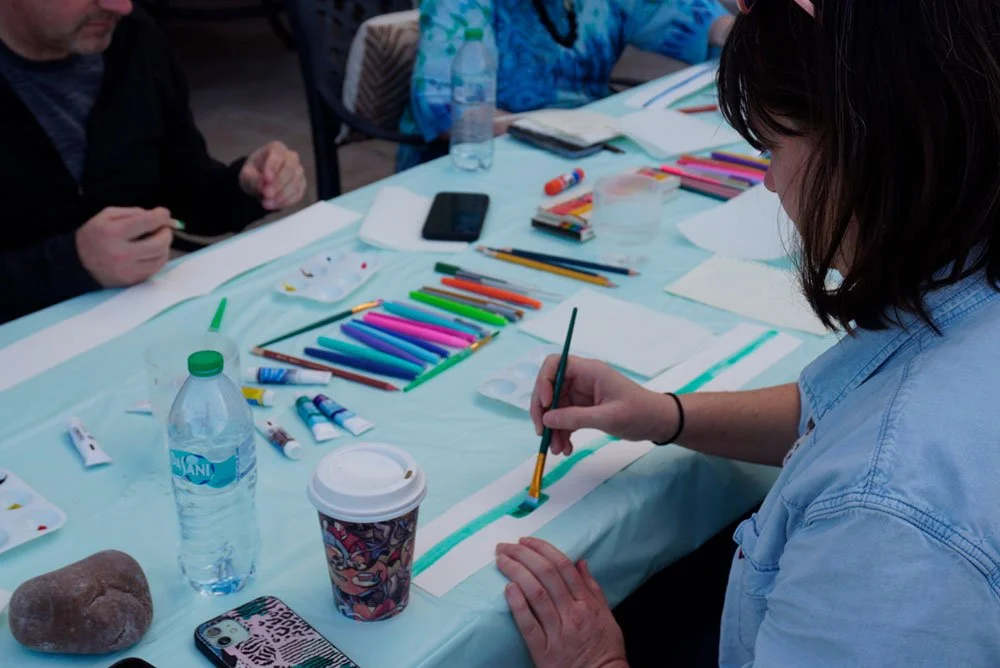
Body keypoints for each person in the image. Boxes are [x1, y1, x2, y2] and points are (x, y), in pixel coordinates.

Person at [495, 0, 1000, 666]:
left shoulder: (886, 526)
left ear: (863, 147)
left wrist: (593, 660)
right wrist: (662, 415)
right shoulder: (967, 289)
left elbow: (881, 464)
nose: (767, 181)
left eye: (772, 147)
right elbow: (840, 418)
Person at [0, 0, 308, 324]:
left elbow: (182, 192)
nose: (121, 6)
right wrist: (73, 264)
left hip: (127, 321)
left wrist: (244, 185)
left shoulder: (132, 38)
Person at [399, 0, 734, 169]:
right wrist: (557, 129)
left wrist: (744, 31)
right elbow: (444, 107)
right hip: (485, 157)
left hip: (584, 149)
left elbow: (685, 16)